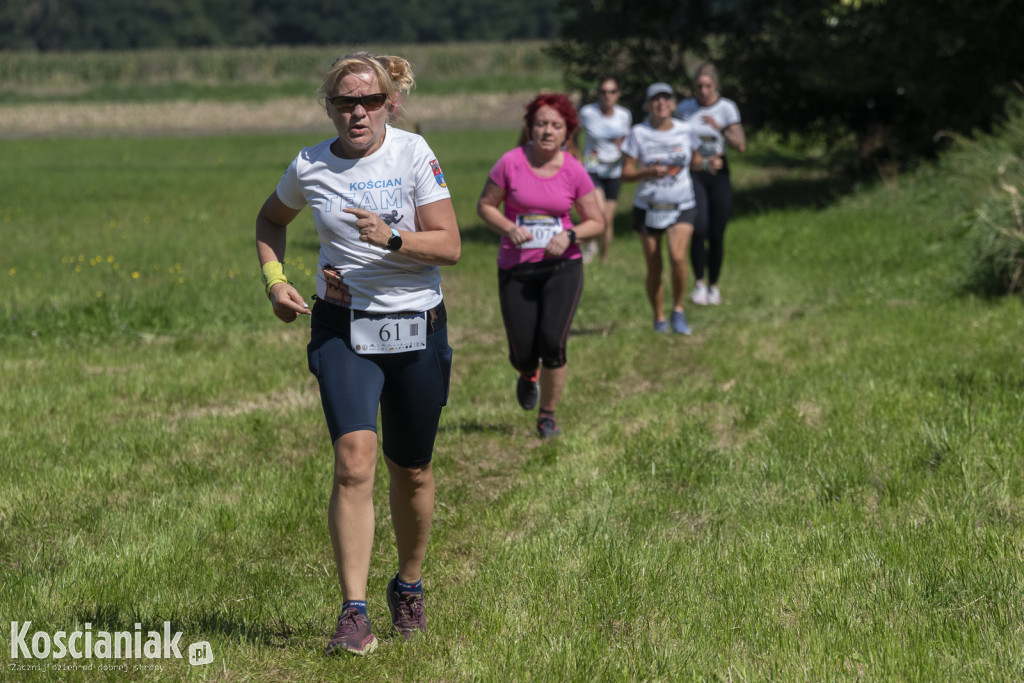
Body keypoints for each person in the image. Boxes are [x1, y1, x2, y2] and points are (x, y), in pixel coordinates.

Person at [254, 52, 460, 657]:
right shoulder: (310, 165)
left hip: (417, 327)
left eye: (369, 101)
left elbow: (449, 246)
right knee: (354, 460)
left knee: (413, 468)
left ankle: (409, 586)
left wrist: (392, 237)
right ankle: (353, 611)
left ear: (389, 104)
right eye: (346, 102)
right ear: (330, 107)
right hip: (343, 327)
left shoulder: (414, 153)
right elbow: (270, 219)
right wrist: (275, 280)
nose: (358, 112)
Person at [476, 93, 604, 439]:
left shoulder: (574, 170)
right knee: (522, 351)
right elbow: (485, 206)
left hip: (562, 267)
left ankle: (547, 415)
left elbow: (597, 221)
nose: (548, 131)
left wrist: (571, 235)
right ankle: (526, 372)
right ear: (530, 128)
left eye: (556, 125)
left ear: (567, 133)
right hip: (516, 268)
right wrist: (508, 227)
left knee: (553, 342)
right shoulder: (510, 163)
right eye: (541, 124)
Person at [621, 82, 717, 334]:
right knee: (655, 266)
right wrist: (648, 172)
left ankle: (678, 310)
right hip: (648, 206)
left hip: (681, 204)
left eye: (666, 99)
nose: (661, 103)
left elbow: (695, 161)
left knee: (677, 256)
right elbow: (626, 173)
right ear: (647, 105)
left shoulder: (686, 131)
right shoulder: (638, 133)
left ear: (673, 105)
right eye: (655, 99)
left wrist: (707, 164)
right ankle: (659, 317)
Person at [674, 63, 746, 306]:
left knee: (716, 233)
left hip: (719, 174)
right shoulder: (685, 109)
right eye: (699, 86)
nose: (703, 91)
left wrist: (720, 128)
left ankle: (714, 285)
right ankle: (699, 283)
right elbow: (674, 135)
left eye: (707, 86)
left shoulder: (727, 108)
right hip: (694, 173)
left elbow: (740, 146)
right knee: (699, 228)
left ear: (715, 85)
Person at [578, 77, 632, 264]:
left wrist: (622, 147)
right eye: (603, 92)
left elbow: (627, 141)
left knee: (608, 220)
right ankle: (590, 245)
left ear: (617, 94)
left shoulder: (624, 115)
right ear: (598, 94)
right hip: (592, 168)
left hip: (614, 170)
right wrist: (576, 157)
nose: (607, 96)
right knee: (599, 212)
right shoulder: (587, 113)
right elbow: (572, 134)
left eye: (611, 92)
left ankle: (604, 258)